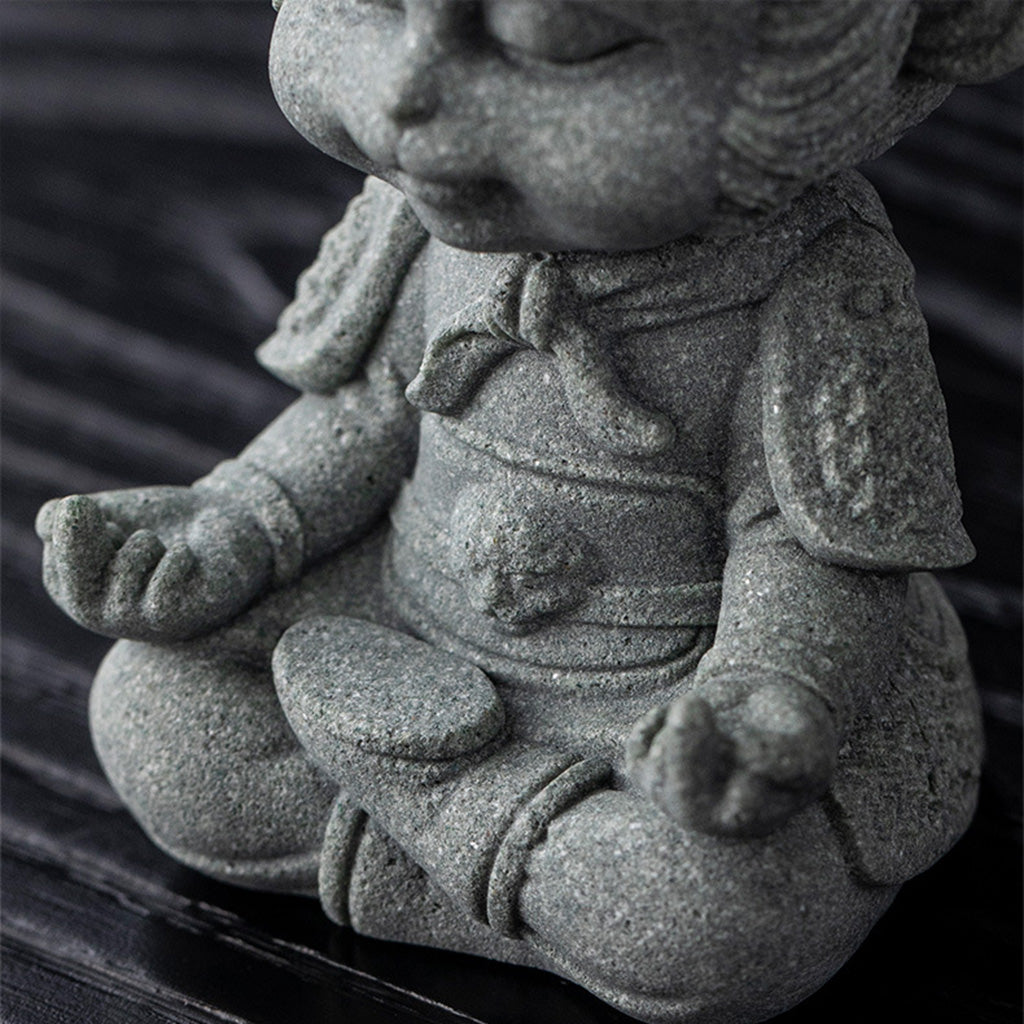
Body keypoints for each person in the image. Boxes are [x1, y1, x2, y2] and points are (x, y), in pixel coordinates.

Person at [36, 3, 1023, 1020]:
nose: (406, 93)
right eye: (374, 4)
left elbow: (813, 549)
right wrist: (233, 524)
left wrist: (763, 699)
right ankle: (513, 873)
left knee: (722, 914)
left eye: (559, 45)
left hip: (660, 701)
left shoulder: (816, 284)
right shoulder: (418, 216)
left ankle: (425, 809)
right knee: (152, 709)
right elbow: (361, 417)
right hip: (398, 623)